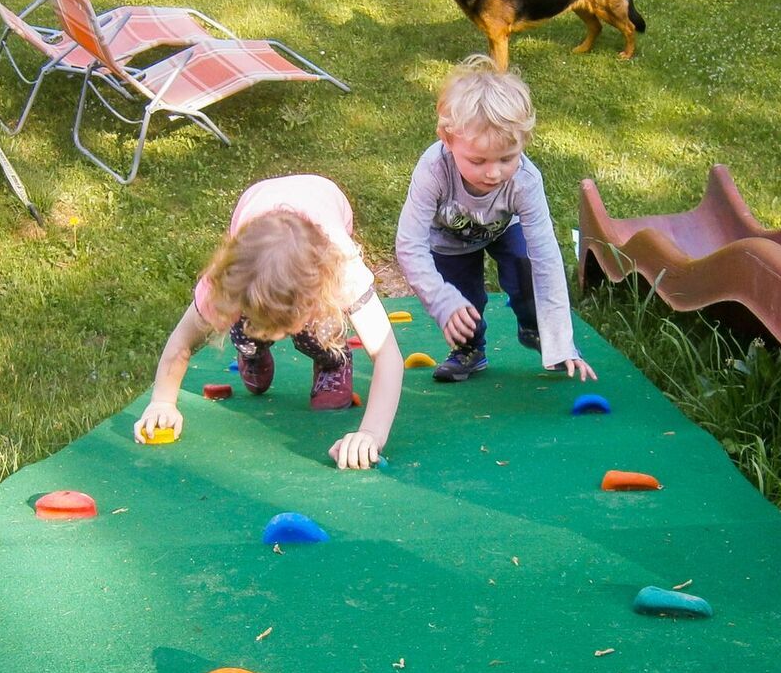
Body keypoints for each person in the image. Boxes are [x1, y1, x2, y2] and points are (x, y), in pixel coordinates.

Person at [135, 175, 403, 469]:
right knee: (245, 329)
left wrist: (370, 434)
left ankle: (332, 361)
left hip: (325, 197)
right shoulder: (228, 279)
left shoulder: (341, 269)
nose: (281, 335)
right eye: (269, 326)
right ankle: (252, 349)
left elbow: (387, 354)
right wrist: (162, 402)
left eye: (285, 325)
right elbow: (182, 342)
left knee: (320, 327)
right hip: (257, 206)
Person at [395, 55, 596, 383]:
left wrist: (561, 341)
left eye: (507, 158)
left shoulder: (525, 181)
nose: (493, 172)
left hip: (504, 228)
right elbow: (408, 244)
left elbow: (545, 256)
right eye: (477, 160)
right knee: (462, 302)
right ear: (448, 141)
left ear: (523, 143)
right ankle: (469, 351)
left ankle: (534, 327)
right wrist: (441, 300)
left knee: (525, 266)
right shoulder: (433, 170)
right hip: (449, 239)